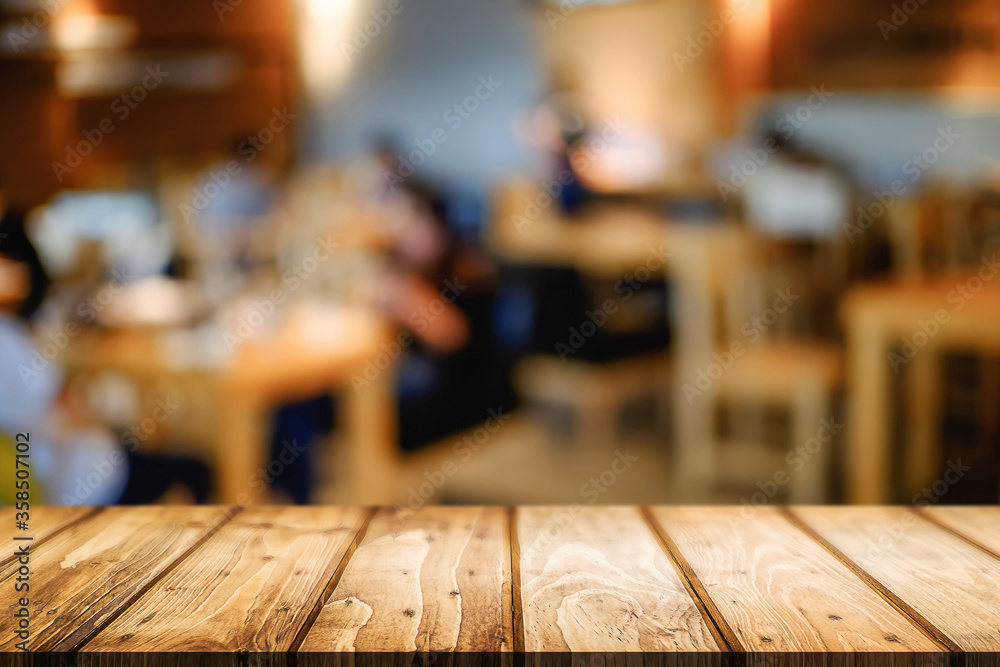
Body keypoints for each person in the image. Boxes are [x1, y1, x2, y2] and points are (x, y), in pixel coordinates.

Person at [0, 182, 209, 505]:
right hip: (82, 479)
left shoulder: (12, 336)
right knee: (198, 467)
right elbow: (63, 412)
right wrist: (100, 422)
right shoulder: (8, 339)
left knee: (140, 440)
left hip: (45, 475)